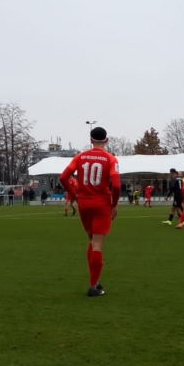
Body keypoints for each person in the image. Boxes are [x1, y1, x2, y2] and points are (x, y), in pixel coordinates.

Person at [60, 126, 121, 297]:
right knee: (97, 244)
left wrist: (75, 195)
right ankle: (93, 287)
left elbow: (63, 177)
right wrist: (114, 204)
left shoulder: (79, 157)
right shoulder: (111, 159)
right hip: (101, 204)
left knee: (92, 241)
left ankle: (95, 280)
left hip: (84, 204)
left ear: (91, 140)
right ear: (106, 140)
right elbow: (116, 186)